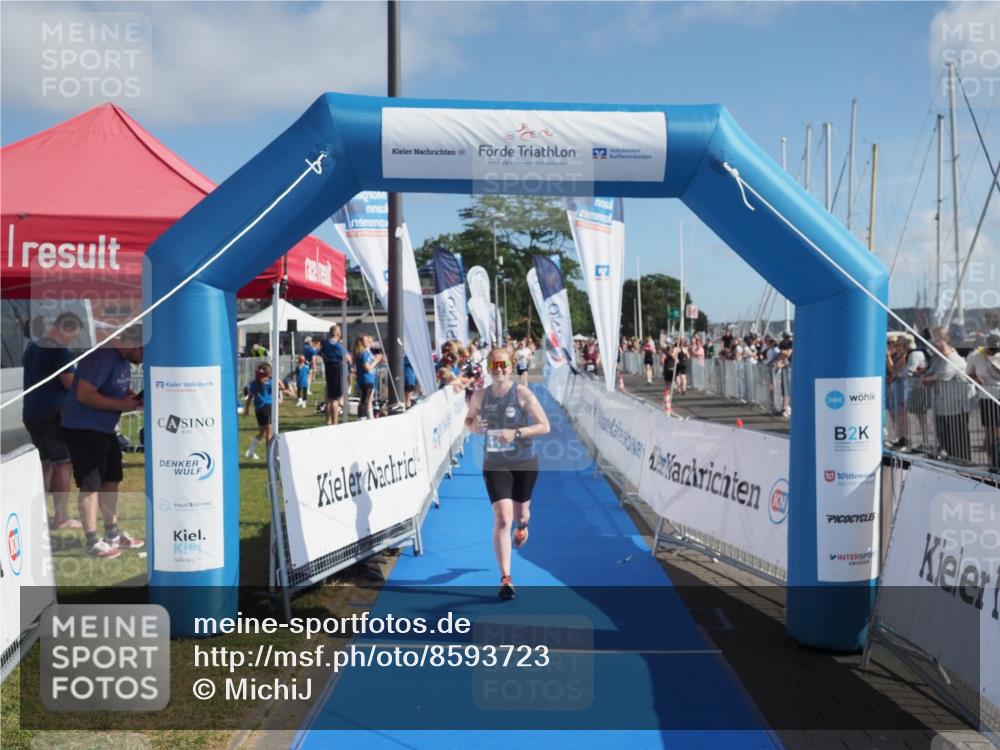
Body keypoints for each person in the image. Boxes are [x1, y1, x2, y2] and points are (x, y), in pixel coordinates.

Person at [464, 348, 550, 600]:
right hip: (494, 463)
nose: (498, 369)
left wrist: (517, 433)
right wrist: (475, 426)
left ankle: (523, 526)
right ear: (488, 368)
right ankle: (506, 578)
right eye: (494, 365)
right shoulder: (479, 395)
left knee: (520, 515)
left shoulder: (522, 393)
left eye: (503, 364)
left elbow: (545, 426)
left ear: (511, 366)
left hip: (524, 462)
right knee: (503, 518)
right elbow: (468, 421)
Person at [60, 326, 145, 558]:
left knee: (112, 479)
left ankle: (112, 533)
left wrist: (129, 397)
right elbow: (84, 394)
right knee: (90, 484)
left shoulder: (122, 359)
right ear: (134, 343)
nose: (144, 359)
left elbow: (114, 387)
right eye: (144, 352)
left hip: (104, 428)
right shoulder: (103, 355)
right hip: (83, 428)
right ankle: (92, 542)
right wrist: (121, 405)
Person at [22, 312, 84, 530]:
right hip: (53, 414)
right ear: (65, 329)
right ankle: (61, 517)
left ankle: (37, 515)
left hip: (33, 412)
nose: (73, 341)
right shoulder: (58, 348)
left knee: (46, 464)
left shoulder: (33, 347)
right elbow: (68, 381)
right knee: (63, 463)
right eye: (73, 336)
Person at [921, 327, 972, 462]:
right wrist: (926, 377)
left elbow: (943, 376)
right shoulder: (939, 359)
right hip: (943, 406)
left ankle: (963, 460)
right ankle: (951, 457)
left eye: (938, 341)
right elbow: (930, 372)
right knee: (944, 435)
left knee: (958, 435)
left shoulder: (953, 358)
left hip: (957, 406)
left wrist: (927, 379)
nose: (936, 345)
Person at [967, 332, 1000, 470]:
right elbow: (968, 373)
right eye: (992, 350)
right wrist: (975, 379)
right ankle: (992, 461)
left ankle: (994, 460)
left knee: (994, 431)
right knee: (992, 430)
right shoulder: (975, 356)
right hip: (987, 397)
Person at [244, 362, 290, 459]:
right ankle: (271, 455)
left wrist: (247, 409)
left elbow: (249, 398)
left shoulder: (253, 383)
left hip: (258, 410)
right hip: (267, 407)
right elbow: (282, 387)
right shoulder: (270, 382)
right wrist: (275, 378)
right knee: (269, 433)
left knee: (262, 432)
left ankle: (250, 451)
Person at [321, 325, 349, 425]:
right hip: (337, 370)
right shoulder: (338, 346)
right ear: (337, 333)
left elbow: (322, 354)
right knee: (335, 399)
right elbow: (348, 358)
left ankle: (328, 420)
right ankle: (335, 422)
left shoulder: (325, 344)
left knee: (329, 397)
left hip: (329, 370)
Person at [354, 335, 383, 419]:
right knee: (365, 400)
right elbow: (367, 368)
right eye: (366, 341)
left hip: (369, 379)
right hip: (366, 380)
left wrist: (377, 360)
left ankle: (369, 417)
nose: (368, 342)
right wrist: (376, 360)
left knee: (367, 400)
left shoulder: (366, 352)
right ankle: (362, 418)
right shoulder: (363, 353)